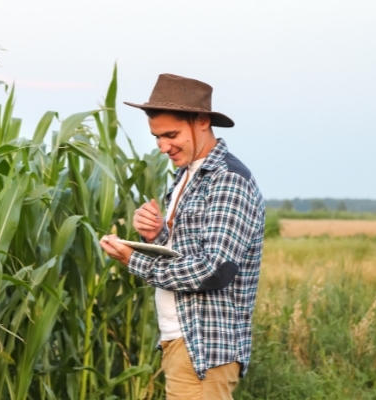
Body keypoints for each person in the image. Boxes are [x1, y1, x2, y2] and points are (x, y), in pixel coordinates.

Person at [99, 74, 265, 399]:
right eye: (157, 137)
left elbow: (215, 269)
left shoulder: (226, 180)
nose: (163, 146)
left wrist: (135, 261)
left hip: (202, 346)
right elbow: (185, 253)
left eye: (171, 135)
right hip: (182, 339)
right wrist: (158, 234)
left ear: (202, 121)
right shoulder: (187, 176)